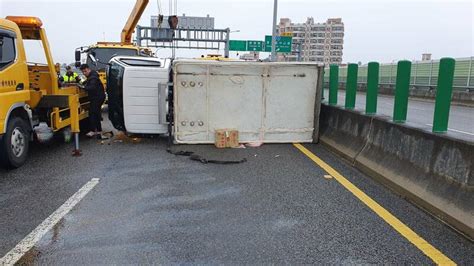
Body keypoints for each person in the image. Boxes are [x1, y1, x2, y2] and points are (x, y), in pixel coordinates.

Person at [79, 64, 106, 138]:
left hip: (97, 98)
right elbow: (88, 83)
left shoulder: (93, 77)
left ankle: (94, 131)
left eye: (85, 71)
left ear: (88, 69)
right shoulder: (92, 76)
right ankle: (98, 131)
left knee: (93, 113)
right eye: (83, 72)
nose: (84, 73)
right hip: (97, 97)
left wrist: (83, 87)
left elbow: (92, 87)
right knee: (95, 113)